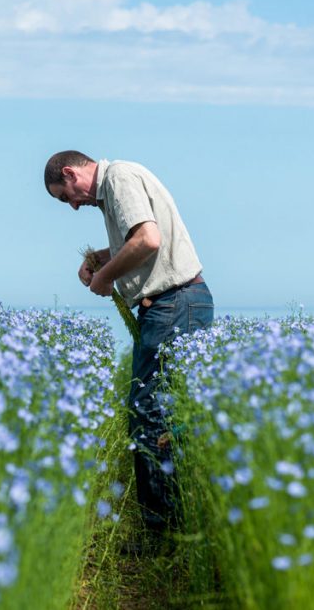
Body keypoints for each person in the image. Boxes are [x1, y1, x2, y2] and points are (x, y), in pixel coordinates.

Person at [44, 149, 214, 546]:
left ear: (71, 173)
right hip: (178, 305)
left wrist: (103, 277)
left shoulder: (118, 178)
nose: (72, 206)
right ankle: (181, 522)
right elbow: (137, 240)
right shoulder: (118, 184)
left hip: (174, 304)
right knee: (165, 416)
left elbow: (148, 240)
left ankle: (162, 534)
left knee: (151, 416)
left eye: (64, 195)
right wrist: (99, 257)